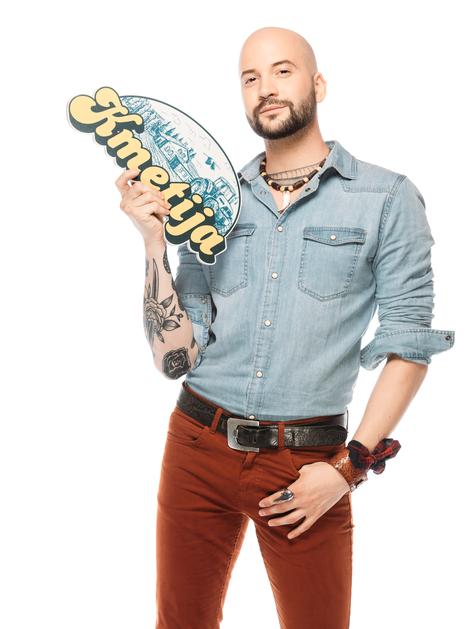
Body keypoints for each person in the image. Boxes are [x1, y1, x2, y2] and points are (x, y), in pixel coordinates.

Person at [115, 26, 455, 629]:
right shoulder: (210, 202)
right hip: (197, 446)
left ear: (317, 83)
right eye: (250, 77)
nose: (265, 88)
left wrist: (348, 468)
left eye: (282, 70)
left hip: (307, 464)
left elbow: (409, 344)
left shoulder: (386, 198)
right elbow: (175, 360)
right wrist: (152, 246)